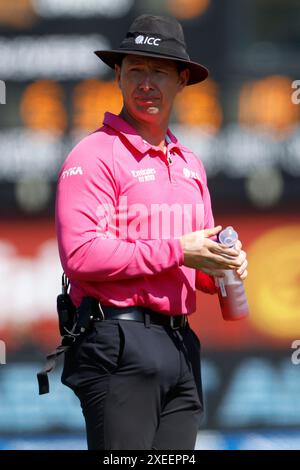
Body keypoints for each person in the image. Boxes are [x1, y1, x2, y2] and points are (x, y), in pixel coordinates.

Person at [55, 14, 248, 450]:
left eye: (158, 71)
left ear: (181, 80)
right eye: (135, 70)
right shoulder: (94, 154)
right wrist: (180, 249)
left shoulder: (189, 163)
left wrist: (223, 264)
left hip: (181, 342)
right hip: (117, 339)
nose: (146, 83)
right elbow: (81, 255)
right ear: (118, 75)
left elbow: (194, 268)